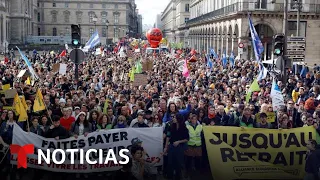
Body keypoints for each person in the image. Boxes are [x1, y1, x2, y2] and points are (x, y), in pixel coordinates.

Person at [164, 113, 189, 180]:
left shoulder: (184, 128)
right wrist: (166, 147)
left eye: (175, 117)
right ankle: (170, 176)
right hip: (171, 147)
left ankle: (178, 176)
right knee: (170, 163)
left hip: (180, 148)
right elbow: (168, 137)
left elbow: (187, 139)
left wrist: (179, 142)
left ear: (178, 119)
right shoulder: (171, 126)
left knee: (178, 163)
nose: (173, 118)